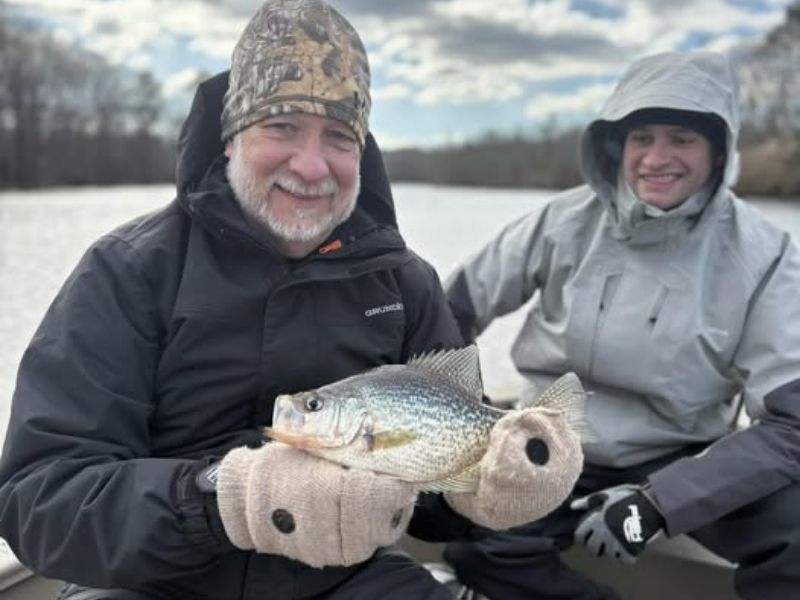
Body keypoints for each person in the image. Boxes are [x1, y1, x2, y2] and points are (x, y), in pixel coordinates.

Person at [0, 1, 583, 599]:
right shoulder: (129, 270)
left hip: (345, 579)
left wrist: (487, 491)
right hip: (153, 582)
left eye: (337, 137)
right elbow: (39, 499)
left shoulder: (406, 284)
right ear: (230, 139)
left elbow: (436, 498)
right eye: (281, 127)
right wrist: (225, 501)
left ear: (361, 153)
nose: (311, 165)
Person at [443, 50, 800, 600]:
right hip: (550, 444)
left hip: (685, 457)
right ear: (615, 145)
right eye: (642, 139)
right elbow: (451, 313)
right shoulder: (561, 221)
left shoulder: (766, 256)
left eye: (681, 138)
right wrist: (467, 423)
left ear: (718, 150)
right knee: (473, 545)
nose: (657, 158)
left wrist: (662, 501)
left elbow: (790, 425)